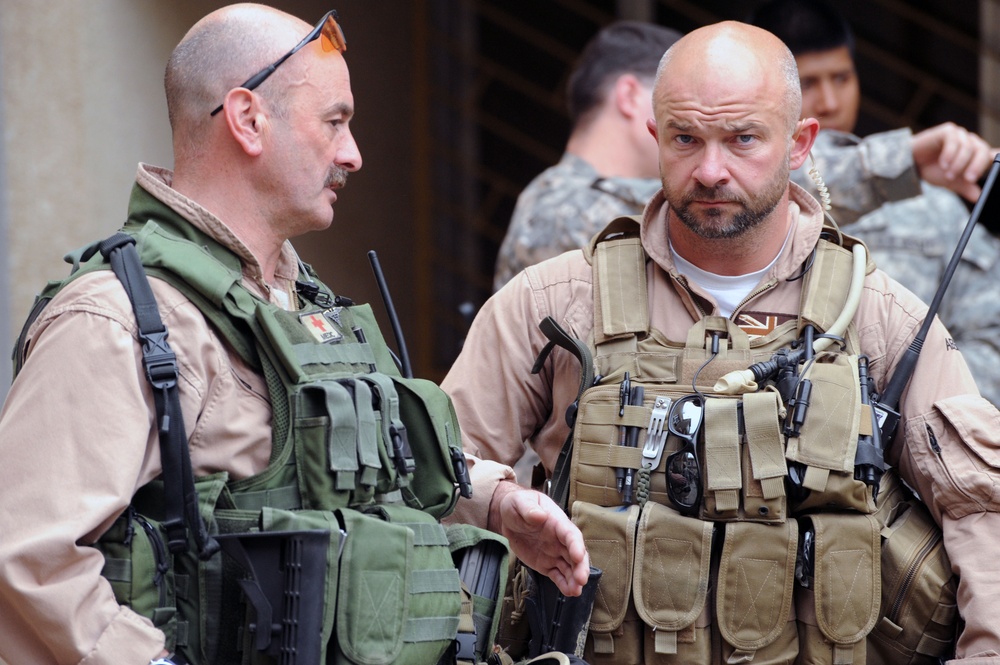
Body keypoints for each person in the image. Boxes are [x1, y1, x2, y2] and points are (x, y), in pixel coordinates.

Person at [444, 20, 1000, 663]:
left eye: (742, 140)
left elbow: (981, 509)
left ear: (800, 144)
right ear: (654, 136)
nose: (710, 170)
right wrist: (501, 499)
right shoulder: (557, 302)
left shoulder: (878, 317)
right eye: (686, 138)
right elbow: (436, 471)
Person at [0, 5, 513, 665]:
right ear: (247, 119)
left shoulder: (309, 308)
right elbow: (26, 552)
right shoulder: (116, 317)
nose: (353, 153)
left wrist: (496, 500)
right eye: (334, 122)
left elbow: (367, 491)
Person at [749, 0, 1000, 406]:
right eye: (809, 84)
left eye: (842, 77)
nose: (830, 101)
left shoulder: (934, 209)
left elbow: (990, 336)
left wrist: (916, 414)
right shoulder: (735, 200)